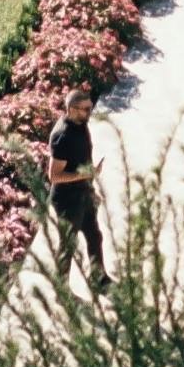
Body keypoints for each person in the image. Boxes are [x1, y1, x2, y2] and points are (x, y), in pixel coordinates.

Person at [46, 89, 105, 274]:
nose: (89, 112)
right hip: (67, 200)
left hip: (83, 193)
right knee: (68, 246)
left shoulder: (80, 124)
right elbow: (54, 176)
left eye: (90, 108)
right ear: (71, 109)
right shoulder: (62, 137)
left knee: (94, 236)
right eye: (85, 109)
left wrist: (90, 189)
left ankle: (98, 277)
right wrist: (86, 174)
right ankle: (61, 288)